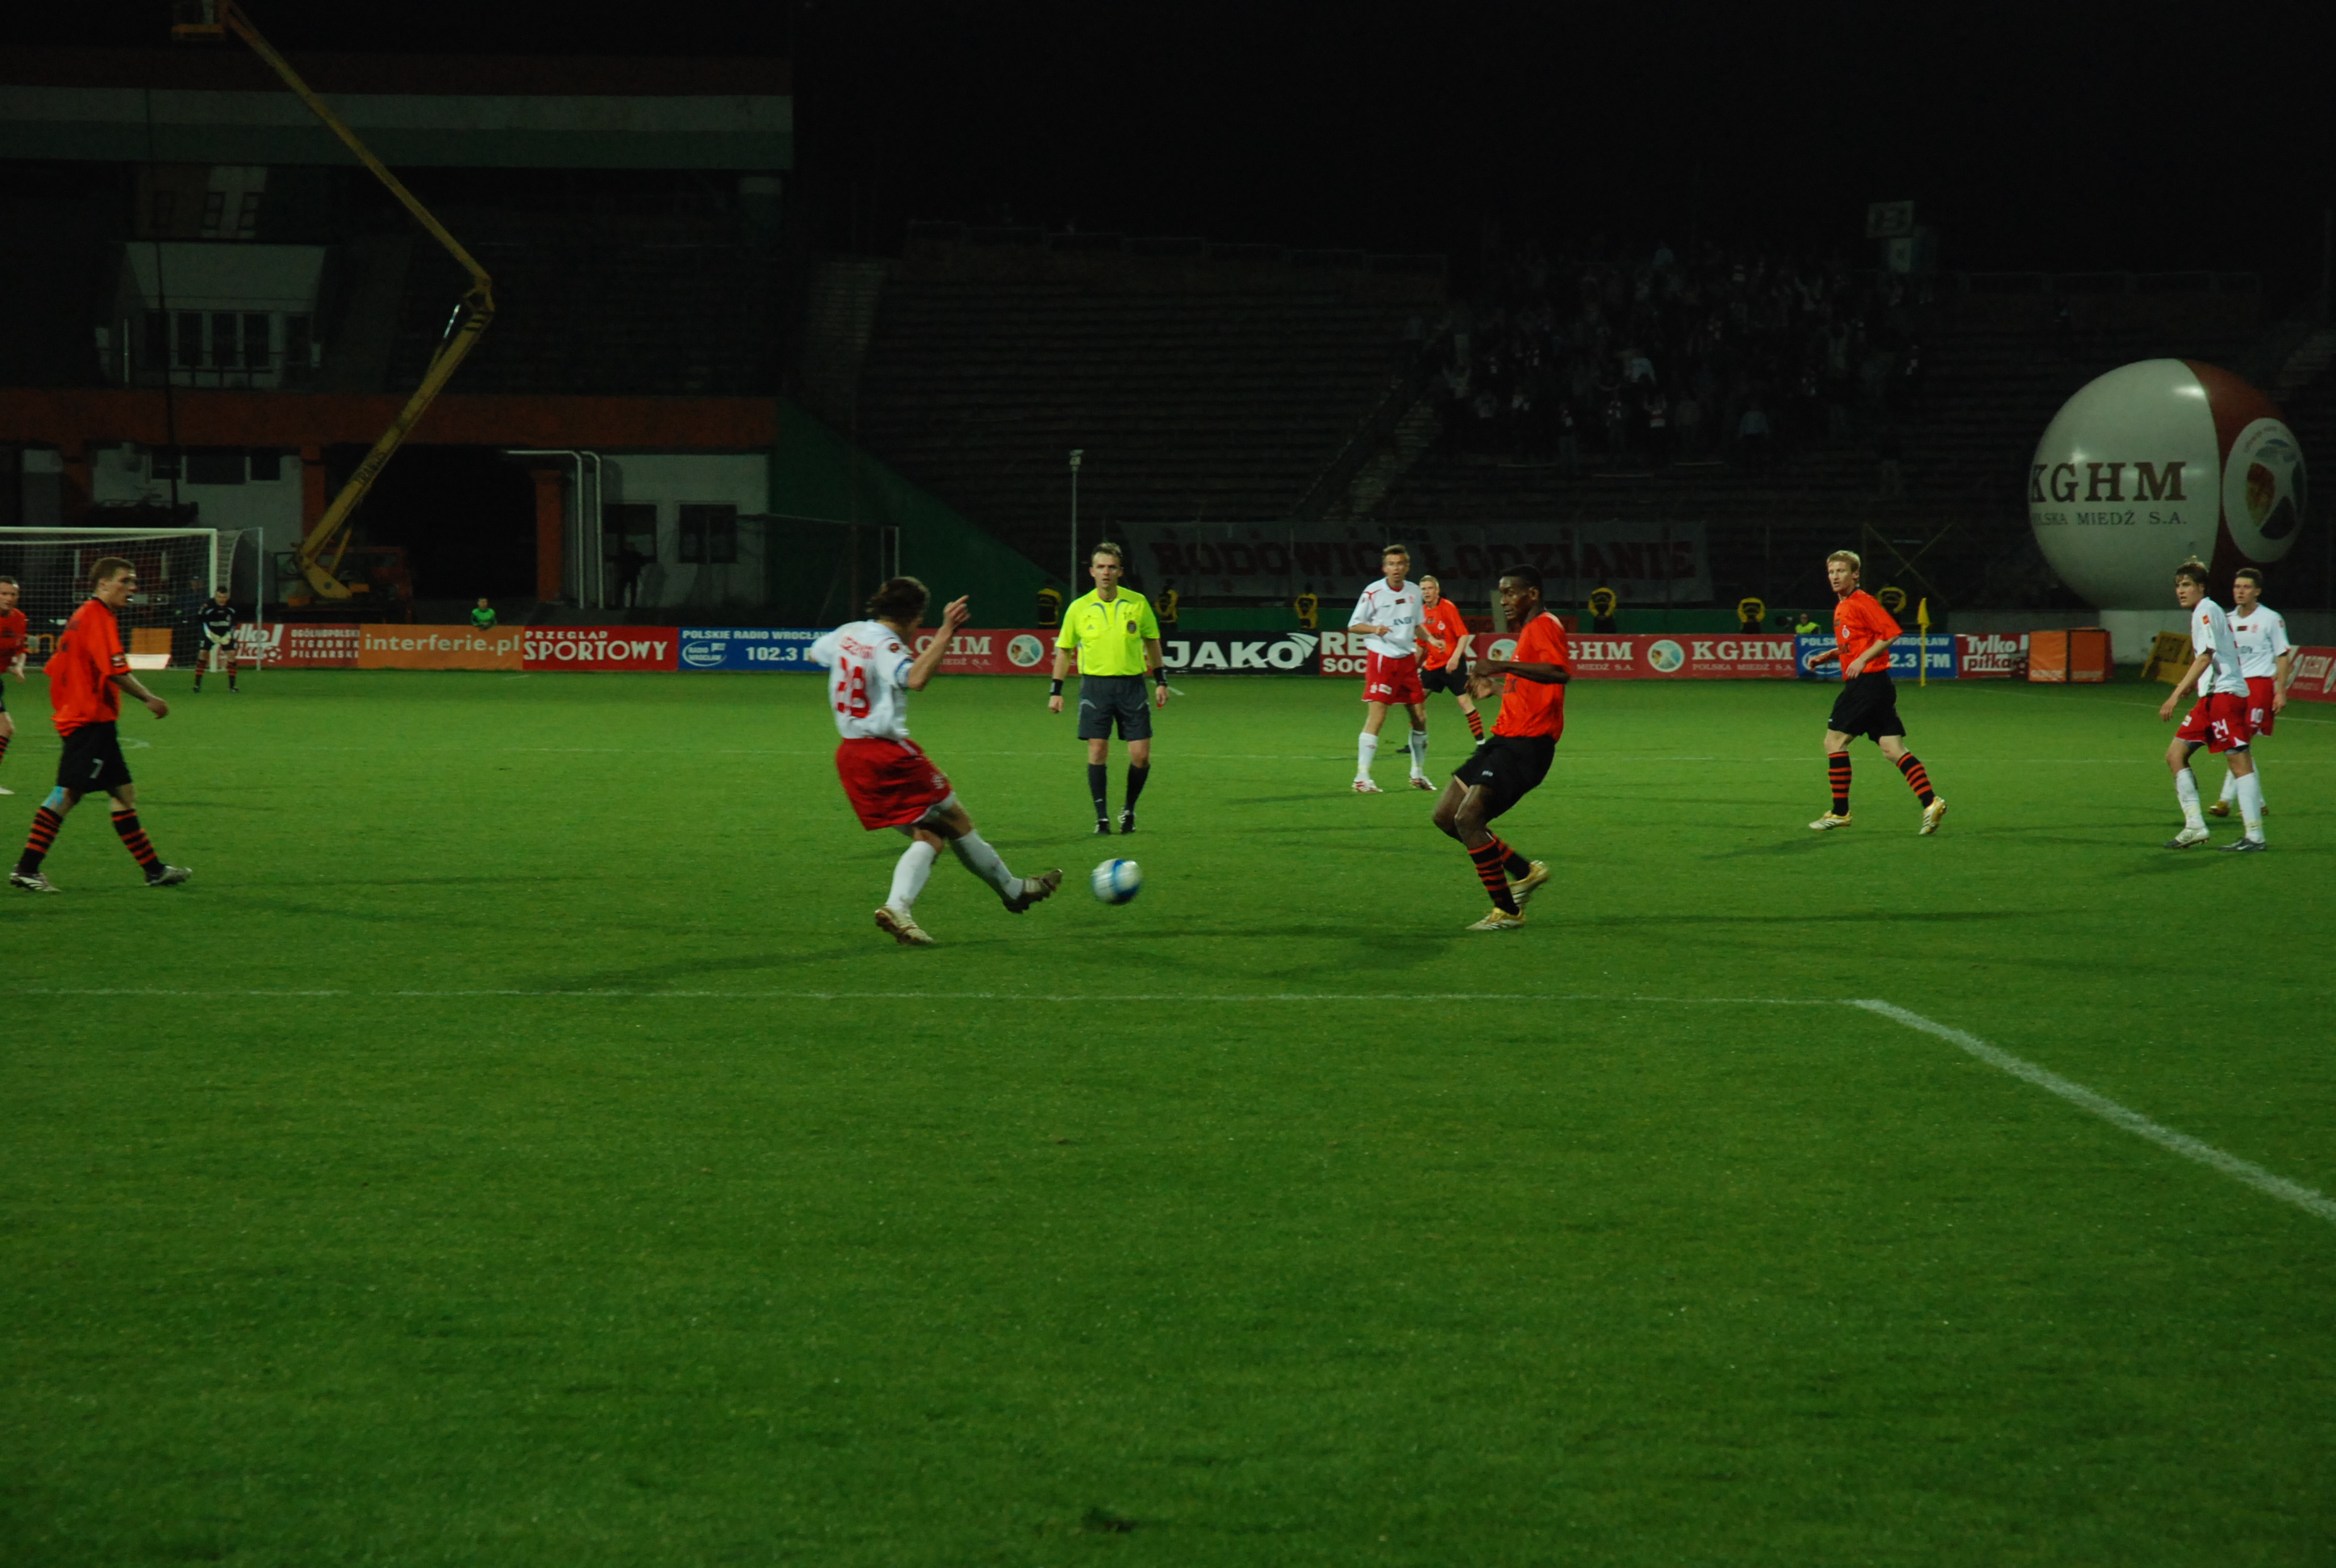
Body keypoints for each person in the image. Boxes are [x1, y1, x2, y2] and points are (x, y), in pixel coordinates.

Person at [807, 576, 1062, 945]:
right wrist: (946, 632)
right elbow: (915, 678)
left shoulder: (849, 633)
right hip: (887, 754)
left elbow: (814, 653)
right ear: (914, 616)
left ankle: (905, 907)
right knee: (955, 818)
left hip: (850, 754)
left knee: (930, 835)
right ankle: (1009, 890)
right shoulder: (886, 645)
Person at [10, 557, 190, 892]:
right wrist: (149, 698)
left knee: (123, 793)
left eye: (133, 581)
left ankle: (154, 870)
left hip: (92, 719)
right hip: (88, 721)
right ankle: (26, 868)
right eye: (125, 580)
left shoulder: (83, 615)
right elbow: (115, 669)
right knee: (68, 793)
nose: (132, 587)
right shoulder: (97, 617)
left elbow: (58, 667)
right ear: (103, 584)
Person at [1431, 565, 1566, 932]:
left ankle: (1507, 911)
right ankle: (1525, 872)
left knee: (1468, 819)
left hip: (1527, 745)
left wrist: (1500, 664)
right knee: (1446, 816)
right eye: (1502, 593)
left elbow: (1558, 672)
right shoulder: (1529, 630)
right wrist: (1498, 686)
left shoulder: (1545, 625)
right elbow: (1531, 684)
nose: (1503, 600)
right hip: (1505, 739)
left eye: (1510, 593)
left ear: (1532, 594)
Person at [1805, 549, 1946, 835]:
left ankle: (1840, 812)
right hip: (1877, 685)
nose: (1835, 577)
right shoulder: (1843, 606)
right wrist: (1829, 656)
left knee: (1834, 742)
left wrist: (1861, 660)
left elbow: (1891, 633)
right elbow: (1855, 643)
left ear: (1855, 574)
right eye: (1831, 572)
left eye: (1841, 571)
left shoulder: (1862, 601)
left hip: (1867, 684)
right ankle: (1931, 803)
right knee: (1893, 749)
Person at [1047, 542, 1167, 834]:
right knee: (1098, 750)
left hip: (1132, 686)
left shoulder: (1137, 603)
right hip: (1095, 687)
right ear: (1091, 571)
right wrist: (1056, 690)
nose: (1106, 572)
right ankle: (1101, 817)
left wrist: (1161, 680)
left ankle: (1128, 810)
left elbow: (1152, 642)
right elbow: (1064, 650)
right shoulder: (1079, 608)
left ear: (1120, 572)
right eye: (1100, 567)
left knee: (1141, 756)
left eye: (1112, 567)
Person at [2159, 558, 2263, 850]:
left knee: (2239, 762)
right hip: (2210, 698)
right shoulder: (2206, 611)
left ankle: (2255, 835)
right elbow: (2209, 657)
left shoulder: (2205, 610)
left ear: (2201, 588)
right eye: (2178, 585)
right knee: (2175, 755)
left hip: (2225, 696)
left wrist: (2177, 693)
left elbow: (2205, 656)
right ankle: (2195, 826)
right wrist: (2196, 686)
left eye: (2187, 585)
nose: (2181, 590)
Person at [2211, 567, 2292, 821]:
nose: (2240, 591)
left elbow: (2282, 655)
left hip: (2258, 686)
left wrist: (2280, 691)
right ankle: (2258, 801)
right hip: (2232, 686)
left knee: (2240, 739)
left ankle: (2225, 800)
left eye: (2246, 587)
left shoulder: (2271, 619)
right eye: (2237, 587)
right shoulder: (2227, 620)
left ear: (2257, 591)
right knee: (2236, 741)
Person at [1349, 544, 1430, 793]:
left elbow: (1416, 625)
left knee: (1420, 717)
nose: (1396, 568)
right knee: (1378, 717)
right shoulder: (1373, 592)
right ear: (1384, 568)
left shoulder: (1414, 591)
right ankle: (1362, 778)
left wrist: (1432, 639)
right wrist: (1375, 629)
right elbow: (1354, 625)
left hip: (1407, 660)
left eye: (1400, 564)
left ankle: (1417, 774)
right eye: (1392, 564)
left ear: (1407, 567)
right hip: (1382, 659)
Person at [1417, 574, 1483, 744]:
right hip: (1433, 665)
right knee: (1416, 701)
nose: (1427, 592)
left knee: (1464, 702)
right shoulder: (1420, 612)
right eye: (1423, 589)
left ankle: (1481, 743)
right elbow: (1421, 644)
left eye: (1430, 588)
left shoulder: (1447, 607)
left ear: (1437, 590)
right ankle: (1416, 742)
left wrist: (1455, 658)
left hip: (1453, 664)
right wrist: (1410, 667)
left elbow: (1463, 635)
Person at [0, 575, 27, 795]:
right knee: (5, 728)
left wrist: (18, 666)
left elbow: (20, 650)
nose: (9, 598)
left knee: (5, 729)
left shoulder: (19, 619)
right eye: (4, 594)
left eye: (13, 594)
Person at [191, 587, 239, 694]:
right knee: (203, 653)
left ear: (227, 597)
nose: (221, 599)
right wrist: (209, 634)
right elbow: (199, 620)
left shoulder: (232, 606)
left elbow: (235, 622)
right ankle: (197, 685)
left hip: (225, 633)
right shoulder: (208, 606)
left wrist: (229, 634)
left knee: (231, 654)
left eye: (224, 597)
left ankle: (232, 686)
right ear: (215, 596)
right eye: (219, 597)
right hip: (210, 633)